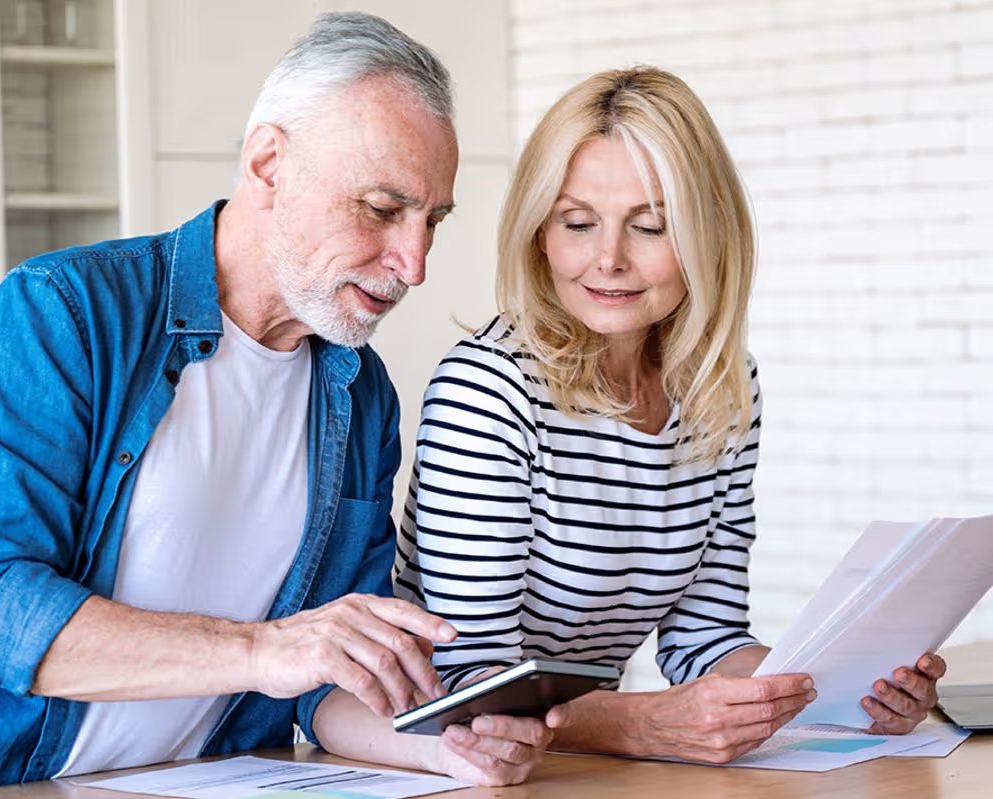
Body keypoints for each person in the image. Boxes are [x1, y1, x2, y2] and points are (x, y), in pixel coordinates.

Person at [0, 14, 553, 799]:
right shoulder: (63, 316)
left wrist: (445, 746)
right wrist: (263, 650)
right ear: (268, 163)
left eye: (431, 220)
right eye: (379, 208)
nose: (415, 263)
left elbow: (321, 680)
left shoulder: (359, 394)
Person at [393, 66, 946, 765]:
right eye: (578, 222)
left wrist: (842, 691)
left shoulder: (721, 387)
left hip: (572, 765)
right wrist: (638, 724)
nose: (609, 258)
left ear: (705, 236)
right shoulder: (489, 389)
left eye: (650, 226)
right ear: (539, 233)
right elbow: (470, 681)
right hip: (456, 767)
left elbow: (705, 641)